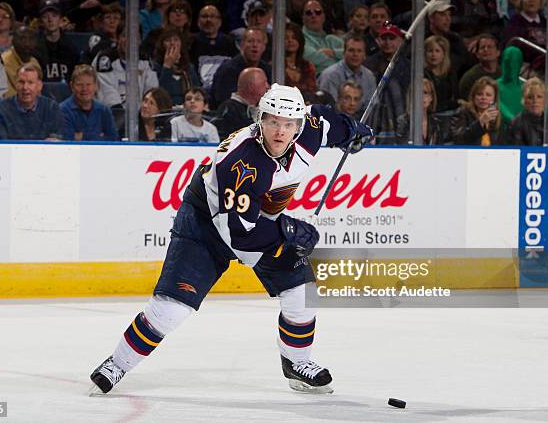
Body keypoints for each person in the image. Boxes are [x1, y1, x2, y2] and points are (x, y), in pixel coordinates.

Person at [89, 83, 375, 396]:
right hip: (204, 227)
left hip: (258, 223)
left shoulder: (307, 130)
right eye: (273, 122)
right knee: (172, 309)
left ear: (298, 125)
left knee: (302, 292)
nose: (281, 131)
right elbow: (240, 234)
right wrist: (288, 230)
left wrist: (350, 131)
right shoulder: (243, 163)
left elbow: (324, 119)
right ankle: (117, 363)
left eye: (289, 124)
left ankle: (297, 362)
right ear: (260, 119)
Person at [93, 23, 158, 108]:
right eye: (125, 36)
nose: (130, 41)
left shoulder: (144, 60)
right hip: (112, 113)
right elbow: (108, 95)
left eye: (135, 37)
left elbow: (152, 89)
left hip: (139, 114)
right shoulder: (106, 59)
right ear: (117, 38)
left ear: (140, 41)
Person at [0, 63, 63, 140]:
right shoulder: (0, 110)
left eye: (30, 82)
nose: (25, 87)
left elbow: (57, 140)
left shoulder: (52, 108)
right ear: (16, 84)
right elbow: (0, 145)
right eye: (21, 82)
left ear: (39, 86)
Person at [210, 27, 271, 109]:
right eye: (250, 41)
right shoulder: (227, 70)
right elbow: (222, 101)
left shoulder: (267, 69)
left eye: (259, 41)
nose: (255, 45)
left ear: (264, 47)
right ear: (242, 45)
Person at [318, 34, 376, 115]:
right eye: (351, 50)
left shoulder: (369, 76)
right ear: (344, 53)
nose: (355, 54)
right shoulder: (330, 75)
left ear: (364, 55)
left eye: (359, 51)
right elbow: (328, 109)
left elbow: (371, 108)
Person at [60, 64, 118, 141]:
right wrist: (98, 136)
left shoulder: (104, 110)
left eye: (88, 84)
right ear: (72, 86)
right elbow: (67, 139)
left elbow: (113, 139)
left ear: (96, 86)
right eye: (79, 85)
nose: (84, 89)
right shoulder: (62, 110)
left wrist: (80, 136)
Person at [188, 5, 238, 93]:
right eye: (204, 16)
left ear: (220, 21)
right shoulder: (191, 41)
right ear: (198, 21)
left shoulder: (229, 41)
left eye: (212, 16)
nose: (208, 20)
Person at [212, 67, 269, 139]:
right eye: (264, 82)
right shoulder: (228, 110)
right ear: (251, 87)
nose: (267, 86)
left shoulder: (265, 109)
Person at [151, 27, 201, 106]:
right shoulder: (154, 67)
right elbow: (158, 94)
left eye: (176, 39)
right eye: (168, 40)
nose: (172, 43)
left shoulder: (189, 68)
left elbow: (198, 92)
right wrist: (167, 66)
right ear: (161, 45)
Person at [450, 76, 507, 145]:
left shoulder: (497, 117)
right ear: (473, 96)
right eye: (479, 94)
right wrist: (480, 122)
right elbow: (458, 139)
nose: (483, 98)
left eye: (488, 95)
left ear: (494, 99)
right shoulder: (462, 113)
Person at [35, 0, 80, 83]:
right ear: (40, 22)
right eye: (45, 16)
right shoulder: (35, 48)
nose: (50, 20)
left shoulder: (71, 48)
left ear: (60, 19)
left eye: (54, 16)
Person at [395, 78, 445, 145]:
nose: (421, 96)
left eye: (425, 92)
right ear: (412, 96)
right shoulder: (403, 123)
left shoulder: (437, 124)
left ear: (431, 98)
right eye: (418, 92)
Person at [301, 0, 343, 75]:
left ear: (323, 17)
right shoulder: (301, 39)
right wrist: (343, 62)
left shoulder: (332, 39)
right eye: (308, 13)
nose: (313, 16)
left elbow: (350, 53)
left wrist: (333, 53)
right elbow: (312, 58)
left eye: (318, 12)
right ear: (303, 18)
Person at [458, 33, 501, 101]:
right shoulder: (470, 78)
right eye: (482, 47)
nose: (486, 50)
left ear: (498, 52)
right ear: (477, 54)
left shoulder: (504, 73)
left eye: (489, 47)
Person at [1, 26, 41, 97]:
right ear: (13, 41)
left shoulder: (34, 62)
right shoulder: (4, 60)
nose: (27, 43)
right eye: (22, 39)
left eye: (31, 39)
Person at [423, 35, 458, 113]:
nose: (433, 55)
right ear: (425, 53)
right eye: (430, 51)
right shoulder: (422, 74)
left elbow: (455, 97)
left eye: (437, 51)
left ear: (444, 54)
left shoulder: (450, 73)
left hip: (449, 114)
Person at [509, 77, 545, 146]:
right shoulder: (517, 122)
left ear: (545, 99)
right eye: (530, 97)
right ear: (524, 101)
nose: (535, 101)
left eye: (539, 96)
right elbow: (517, 152)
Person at [284, 23, 317, 94]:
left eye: (294, 37)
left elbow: (312, 91)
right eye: (286, 38)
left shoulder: (308, 66)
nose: (290, 40)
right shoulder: (275, 67)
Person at [497, 46, 524, 126]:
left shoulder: (526, 88)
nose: (510, 66)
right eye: (507, 62)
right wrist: (513, 119)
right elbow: (497, 104)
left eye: (514, 62)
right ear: (502, 63)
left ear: (520, 64)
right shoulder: (494, 86)